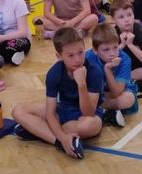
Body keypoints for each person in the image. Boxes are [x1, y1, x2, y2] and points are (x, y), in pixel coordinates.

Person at [11, 27, 103, 159]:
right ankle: (61, 143)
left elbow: (89, 112)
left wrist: (82, 85)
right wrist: (62, 137)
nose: (77, 59)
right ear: (59, 56)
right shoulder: (54, 73)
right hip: (63, 111)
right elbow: (50, 113)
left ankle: (40, 131)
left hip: (87, 116)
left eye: (80, 52)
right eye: (70, 55)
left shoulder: (94, 71)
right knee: (18, 111)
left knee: (86, 126)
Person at [85, 23, 138, 127]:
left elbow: (116, 93)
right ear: (95, 50)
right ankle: (105, 112)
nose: (112, 53)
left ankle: (98, 109)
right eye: (106, 49)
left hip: (114, 92)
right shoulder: (87, 58)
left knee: (127, 99)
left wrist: (108, 69)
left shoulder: (125, 59)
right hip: (97, 92)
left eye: (115, 47)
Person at [112, 0, 142, 95]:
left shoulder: (141, 31)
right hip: (123, 69)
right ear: (114, 20)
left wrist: (131, 45)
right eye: (121, 17)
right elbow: (109, 60)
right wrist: (122, 45)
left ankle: (127, 82)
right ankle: (138, 84)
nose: (127, 20)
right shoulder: (112, 34)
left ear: (134, 15)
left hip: (140, 70)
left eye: (129, 15)